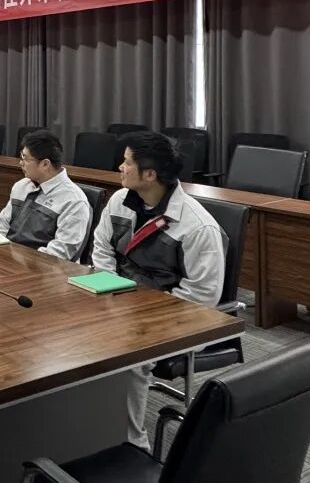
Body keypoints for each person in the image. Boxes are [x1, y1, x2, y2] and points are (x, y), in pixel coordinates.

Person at [92, 131, 227, 451]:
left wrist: (141, 312)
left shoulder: (198, 226)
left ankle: (132, 445)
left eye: (127, 162)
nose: (120, 167)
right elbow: (101, 248)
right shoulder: (119, 200)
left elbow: (201, 297)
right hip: (118, 300)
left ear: (150, 174)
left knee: (128, 356)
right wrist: (111, 290)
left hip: (172, 317)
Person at [0, 129, 92, 260]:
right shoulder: (21, 186)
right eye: (21, 156)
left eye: (25, 158)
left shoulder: (73, 201)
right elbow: (2, 224)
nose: (21, 163)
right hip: (9, 259)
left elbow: (61, 252)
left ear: (45, 164)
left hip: (44, 267)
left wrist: (20, 259)